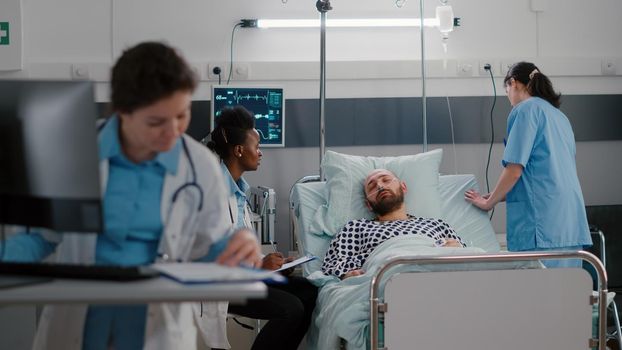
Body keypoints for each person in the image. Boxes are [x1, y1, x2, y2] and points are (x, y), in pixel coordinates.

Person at [0, 42, 261, 350]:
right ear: (123, 111)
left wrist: (235, 248)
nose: (173, 131)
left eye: (182, 115)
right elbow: (39, 237)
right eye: (156, 122)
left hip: (158, 329)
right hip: (81, 326)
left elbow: (206, 245)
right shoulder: (73, 152)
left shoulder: (200, 166)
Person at [206, 106, 318, 350]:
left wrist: (271, 265)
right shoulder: (211, 193)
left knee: (310, 291)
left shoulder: (239, 191)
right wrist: (259, 268)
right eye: (256, 147)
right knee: (290, 309)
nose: (260, 153)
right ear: (238, 150)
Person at [464, 61, 592, 267]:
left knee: (538, 294)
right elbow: (542, 173)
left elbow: (515, 170)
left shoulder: (525, 110)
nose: (508, 97)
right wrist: (498, 193)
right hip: (569, 220)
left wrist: (489, 203)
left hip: (542, 223)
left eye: (506, 90)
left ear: (513, 83)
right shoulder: (559, 117)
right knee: (570, 293)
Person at [322, 168, 465, 279]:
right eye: (372, 186)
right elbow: (332, 266)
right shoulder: (355, 228)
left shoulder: (436, 224)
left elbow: (471, 260)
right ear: (369, 205)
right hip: (388, 280)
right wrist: (347, 275)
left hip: (439, 274)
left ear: (403, 187)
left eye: (386, 180)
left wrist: (457, 250)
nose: (380, 186)